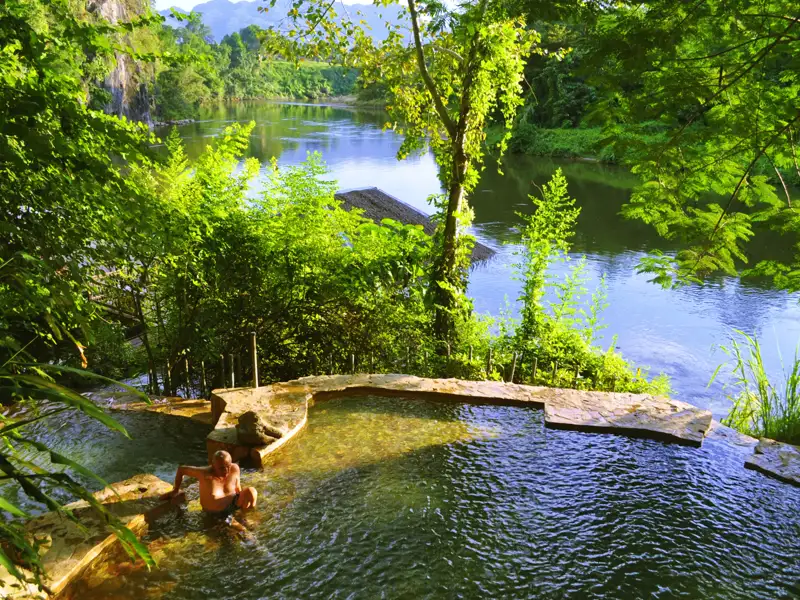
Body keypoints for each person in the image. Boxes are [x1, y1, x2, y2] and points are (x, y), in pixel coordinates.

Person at [161, 450, 258, 519]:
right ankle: (237, 522)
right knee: (244, 533)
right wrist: (175, 490)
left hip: (233, 502)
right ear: (213, 465)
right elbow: (181, 469)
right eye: (221, 468)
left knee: (251, 491)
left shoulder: (234, 468)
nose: (226, 471)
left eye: (228, 466)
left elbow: (238, 488)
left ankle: (246, 516)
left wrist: (241, 504)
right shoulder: (204, 473)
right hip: (217, 513)